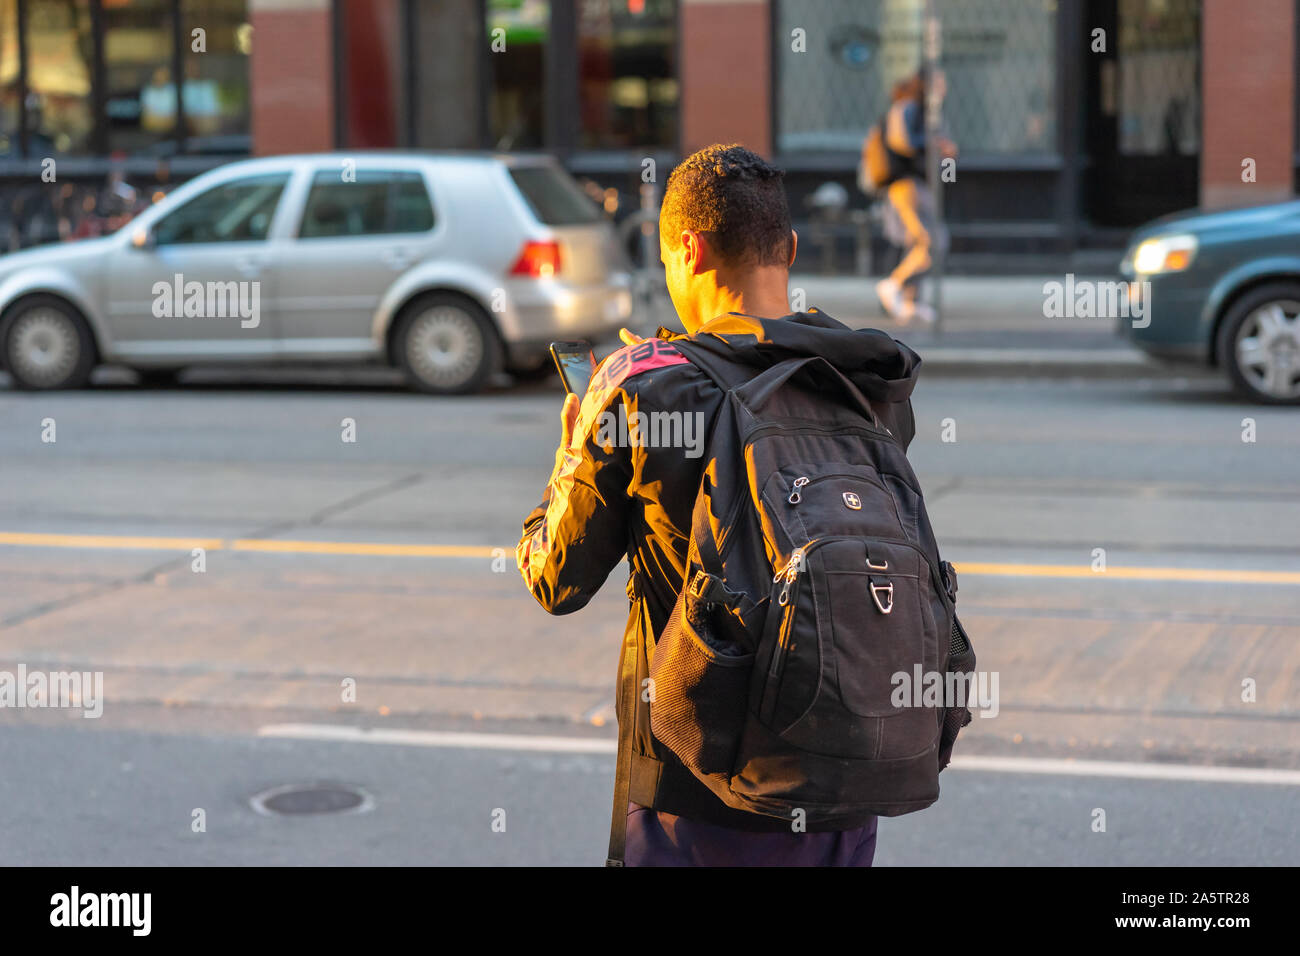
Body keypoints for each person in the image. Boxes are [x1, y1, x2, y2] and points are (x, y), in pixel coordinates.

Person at [516, 144, 922, 866]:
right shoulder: (861, 375)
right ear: (789, 248)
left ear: (689, 250)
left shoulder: (643, 386)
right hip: (845, 784)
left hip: (698, 800)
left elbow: (556, 578)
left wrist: (580, 436)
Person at [873, 70, 957, 325]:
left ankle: (911, 300)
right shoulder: (906, 108)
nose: (943, 88)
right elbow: (901, 142)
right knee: (928, 241)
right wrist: (934, 143)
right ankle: (893, 285)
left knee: (922, 242)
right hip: (905, 186)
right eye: (939, 83)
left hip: (920, 185)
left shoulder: (927, 113)